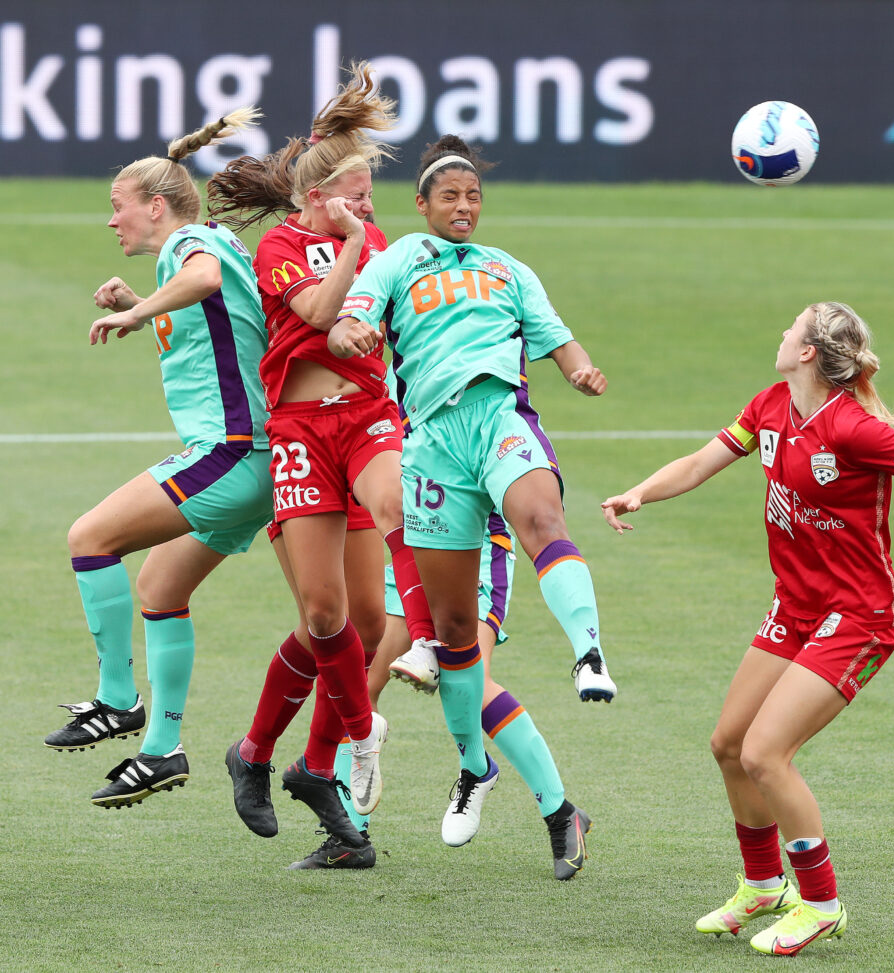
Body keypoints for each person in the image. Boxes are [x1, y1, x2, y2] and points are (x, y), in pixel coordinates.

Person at [601, 302, 894, 956]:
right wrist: (641, 491)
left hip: (860, 614)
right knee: (730, 743)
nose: (782, 332)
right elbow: (704, 460)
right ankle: (763, 886)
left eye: (793, 325)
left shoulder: (852, 428)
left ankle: (819, 901)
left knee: (766, 752)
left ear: (810, 351)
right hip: (795, 606)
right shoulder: (769, 405)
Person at [328, 135, 614, 848]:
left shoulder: (508, 269)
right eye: (449, 195)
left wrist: (579, 370)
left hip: (493, 433)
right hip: (425, 459)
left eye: (474, 196)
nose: (463, 206)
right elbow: (349, 319)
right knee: (409, 661)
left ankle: (585, 663)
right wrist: (353, 331)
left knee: (534, 534)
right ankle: (367, 816)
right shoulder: (396, 261)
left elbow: (557, 337)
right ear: (421, 204)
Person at [205, 63, 437, 864]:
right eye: (358, 192)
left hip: (369, 417)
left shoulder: (368, 239)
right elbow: (316, 310)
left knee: (374, 613)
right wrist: (348, 246)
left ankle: (333, 748)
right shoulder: (282, 243)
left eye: (369, 193)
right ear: (316, 198)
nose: (369, 205)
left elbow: (379, 315)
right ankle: (275, 751)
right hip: (301, 431)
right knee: (326, 618)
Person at [44, 110, 276, 809]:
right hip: (257, 463)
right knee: (160, 588)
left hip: (233, 452)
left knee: (89, 538)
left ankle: (118, 700)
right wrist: (143, 300)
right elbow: (218, 322)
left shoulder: (193, 242)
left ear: (154, 205)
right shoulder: (196, 250)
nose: (112, 222)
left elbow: (204, 279)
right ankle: (163, 750)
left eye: (118, 208)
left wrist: (136, 315)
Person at [347, 511, 591, 879]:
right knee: (360, 688)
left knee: (473, 684)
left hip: (474, 544)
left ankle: (559, 812)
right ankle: (350, 838)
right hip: (412, 551)